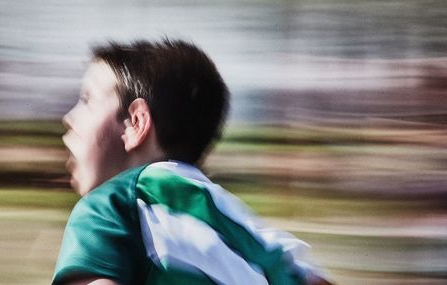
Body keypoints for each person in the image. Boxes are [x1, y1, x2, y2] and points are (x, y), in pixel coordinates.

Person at [52, 39, 332, 285]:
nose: (69, 119)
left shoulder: (109, 209)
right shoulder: (246, 228)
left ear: (136, 123)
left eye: (87, 100)